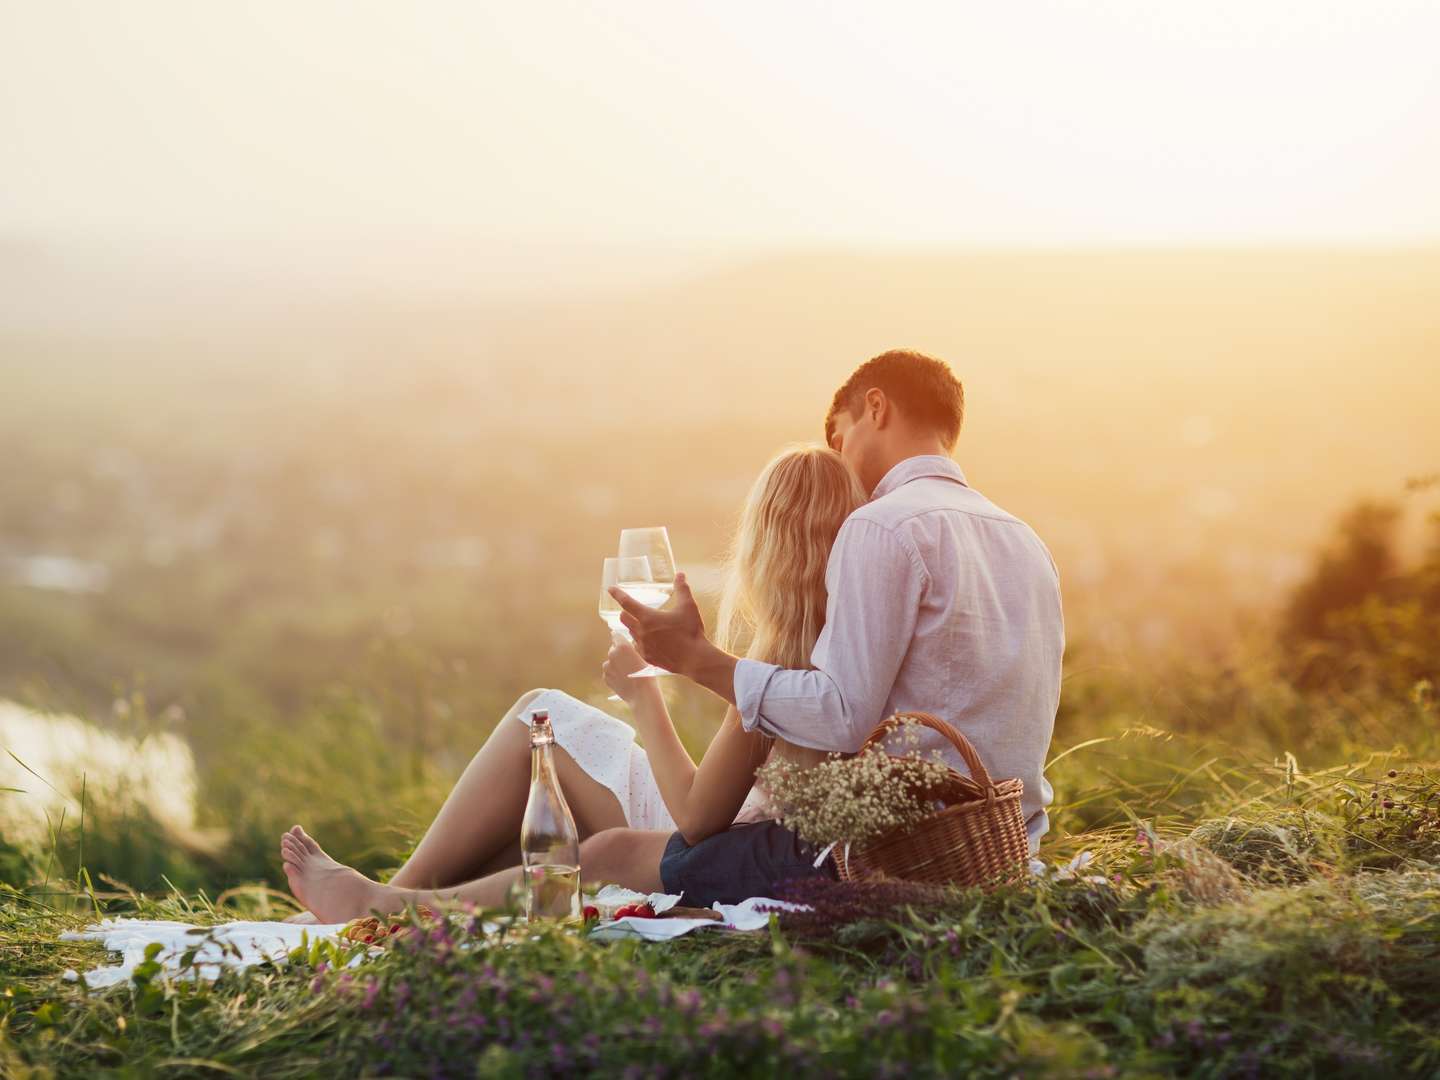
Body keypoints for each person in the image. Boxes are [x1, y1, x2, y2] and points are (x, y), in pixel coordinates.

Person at [280, 445, 865, 922]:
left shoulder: (781, 663)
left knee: (540, 718)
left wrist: (645, 697)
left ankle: (382, 905)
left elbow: (694, 818)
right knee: (539, 769)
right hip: (746, 826)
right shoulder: (853, 646)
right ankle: (383, 901)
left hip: (717, 842)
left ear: (762, 547)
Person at [614, 348, 1065, 888]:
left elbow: (844, 713)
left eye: (838, 437)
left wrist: (698, 660)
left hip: (898, 853)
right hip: (1000, 842)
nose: (840, 459)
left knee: (609, 854)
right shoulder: (1026, 539)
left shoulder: (881, 526)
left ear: (875, 407)